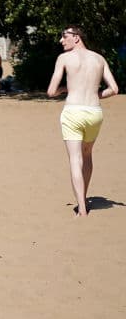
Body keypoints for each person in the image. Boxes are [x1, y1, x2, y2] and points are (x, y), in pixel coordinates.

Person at [46, 25, 119, 217]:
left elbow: (51, 91)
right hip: (94, 112)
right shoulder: (99, 59)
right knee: (87, 155)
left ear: (76, 37)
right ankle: (84, 198)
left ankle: (83, 208)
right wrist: (95, 94)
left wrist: (66, 89)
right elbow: (114, 89)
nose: (61, 40)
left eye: (64, 36)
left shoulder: (64, 58)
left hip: (73, 111)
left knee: (75, 159)